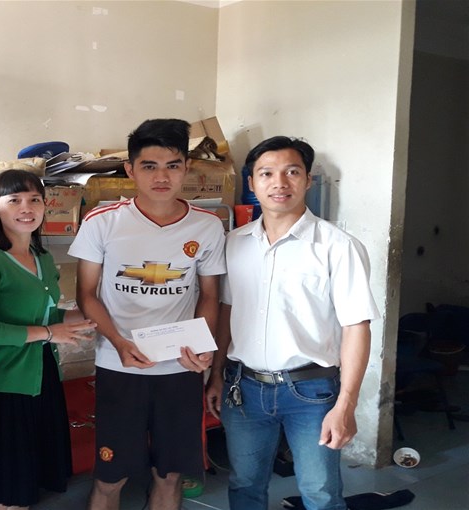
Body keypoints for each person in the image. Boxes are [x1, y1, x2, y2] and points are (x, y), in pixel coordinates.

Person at [205, 136, 380, 510]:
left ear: (307, 180)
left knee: (321, 493)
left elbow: (356, 327)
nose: (279, 183)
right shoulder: (234, 243)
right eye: (266, 173)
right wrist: (217, 373)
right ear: (252, 183)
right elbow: (227, 312)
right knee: (245, 485)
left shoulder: (337, 246)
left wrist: (346, 404)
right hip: (243, 388)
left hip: (311, 392)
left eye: (292, 172)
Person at [68, 119, 226, 510]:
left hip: (180, 368)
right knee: (110, 476)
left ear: (186, 168)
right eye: (149, 166)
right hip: (119, 364)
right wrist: (118, 342)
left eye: (172, 165)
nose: (161, 177)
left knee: (169, 475)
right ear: (130, 170)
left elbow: (210, 295)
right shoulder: (102, 222)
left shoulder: (207, 226)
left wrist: (202, 346)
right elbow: (86, 294)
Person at [0, 169, 97, 510]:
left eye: (35, 199)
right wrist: (50, 334)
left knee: (26, 481)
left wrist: (89, 317)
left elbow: (46, 317)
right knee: (2, 487)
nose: (26, 207)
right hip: (5, 383)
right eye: (14, 200)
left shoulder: (43, 259)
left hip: (42, 375)